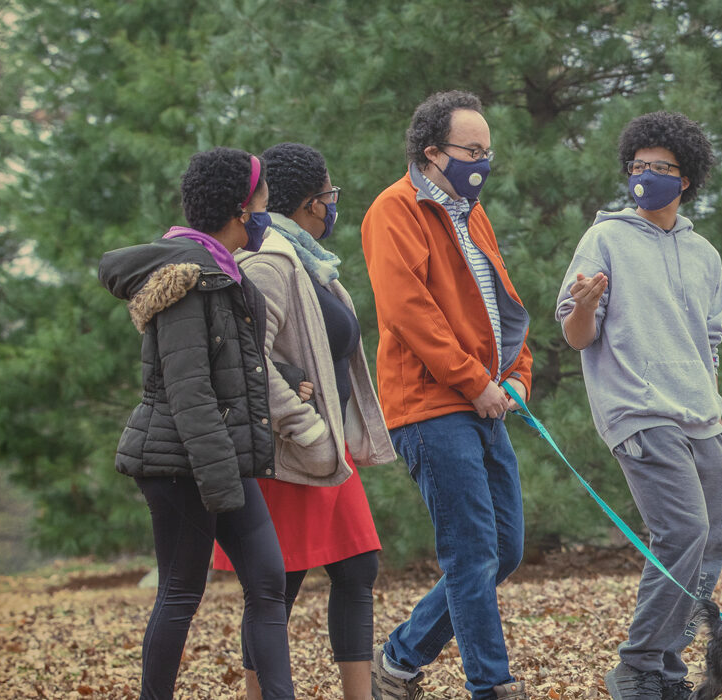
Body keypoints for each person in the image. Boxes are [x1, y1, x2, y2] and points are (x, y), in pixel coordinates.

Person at [98, 147, 295, 700]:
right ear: (239, 208)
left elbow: (228, 364)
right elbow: (188, 390)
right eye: (262, 201)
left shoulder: (224, 272)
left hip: (217, 459)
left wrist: (287, 374)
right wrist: (220, 484)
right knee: (182, 590)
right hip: (181, 461)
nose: (266, 213)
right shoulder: (187, 277)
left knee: (266, 579)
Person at [361, 90, 534, 700]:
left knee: (504, 550)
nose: (482, 163)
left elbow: (503, 307)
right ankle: (491, 686)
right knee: (470, 555)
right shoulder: (393, 211)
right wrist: (473, 381)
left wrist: (515, 376)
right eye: (472, 150)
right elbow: (409, 312)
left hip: (484, 398)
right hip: (430, 407)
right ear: (432, 152)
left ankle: (400, 660)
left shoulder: (470, 212)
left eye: (488, 152)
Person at [209, 142, 397, 700]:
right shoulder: (268, 263)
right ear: (312, 202)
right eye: (331, 194)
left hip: (328, 446)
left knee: (357, 568)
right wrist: (300, 411)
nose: (335, 205)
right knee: (278, 585)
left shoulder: (312, 264)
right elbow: (245, 355)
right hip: (290, 449)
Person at [555, 111, 722, 700]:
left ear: (686, 180)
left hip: (702, 416)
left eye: (661, 168)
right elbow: (577, 335)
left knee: (707, 547)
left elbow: (710, 338)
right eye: (639, 166)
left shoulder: (704, 253)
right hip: (638, 409)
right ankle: (637, 666)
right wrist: (583, 305)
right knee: (682, 531)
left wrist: (714, 399)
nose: (646, 176)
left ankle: (666, 671)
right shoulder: (604, 238)